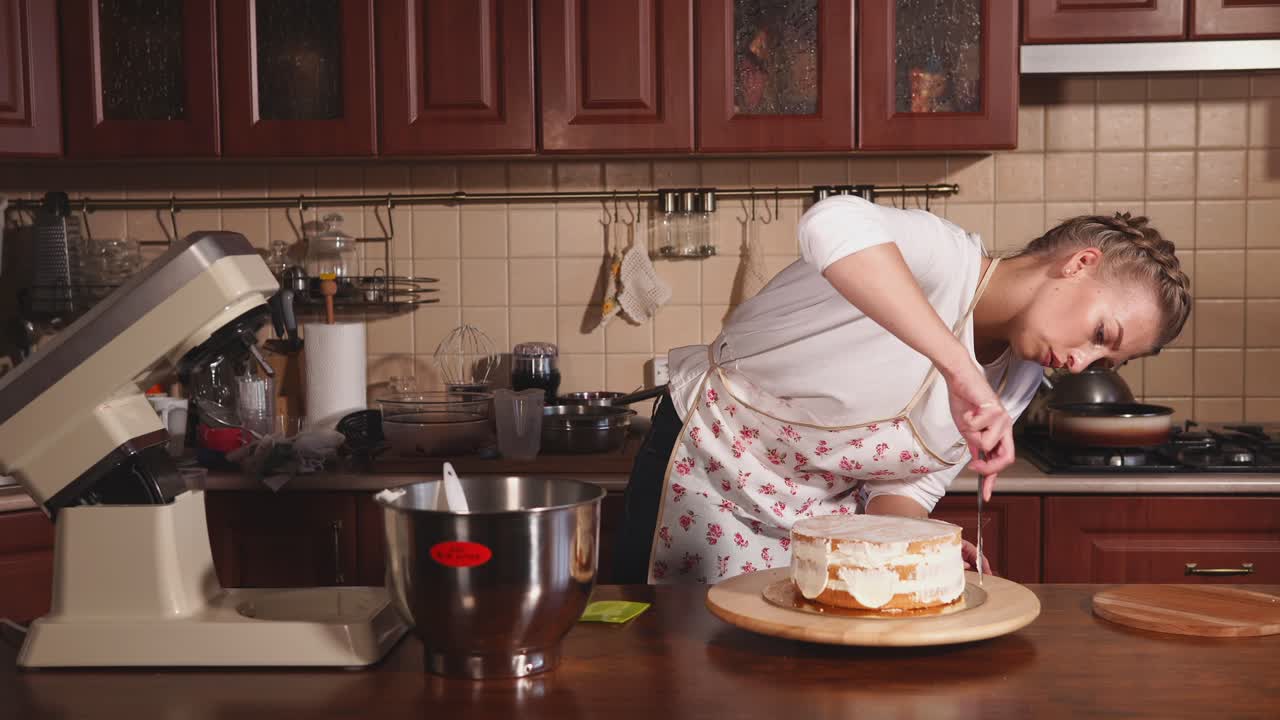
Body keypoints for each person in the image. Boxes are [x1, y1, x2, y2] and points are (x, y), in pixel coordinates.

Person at [614, 195, 1191, 584]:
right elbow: (828, 222)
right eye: (1099, 334)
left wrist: (916, 540)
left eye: (1103, 359)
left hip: (814, 532)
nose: (1079, 361)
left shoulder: (1017, 382)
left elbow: (912, 482)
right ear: (1079, 263)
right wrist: (957, 367)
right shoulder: (943, 257)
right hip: (702, 474)